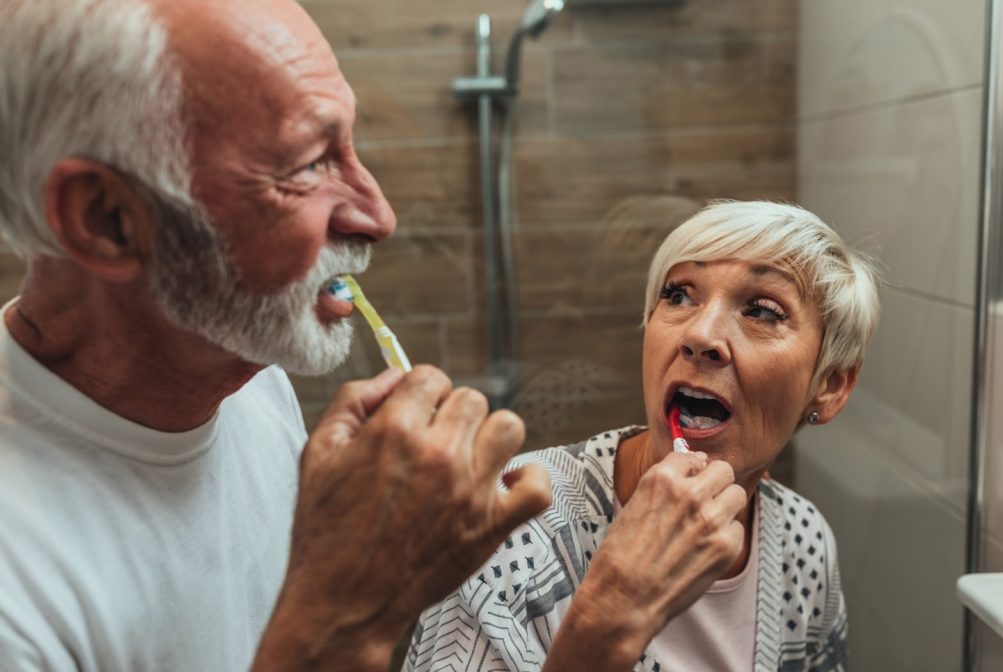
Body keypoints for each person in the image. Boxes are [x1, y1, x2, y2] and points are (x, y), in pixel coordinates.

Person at [0, 1, 748, 670]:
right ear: (107, 219)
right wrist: (354, 611)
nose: (376, 215)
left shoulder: (249, 375)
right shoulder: (18, 601)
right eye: (306, 164)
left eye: (352, 147)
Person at [405, 200, 881, 672]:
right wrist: (611, 614)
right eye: (678, 295)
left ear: (830, 385)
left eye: (761, 310)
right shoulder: (508, 521)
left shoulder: (803, 541)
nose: (700, 334)